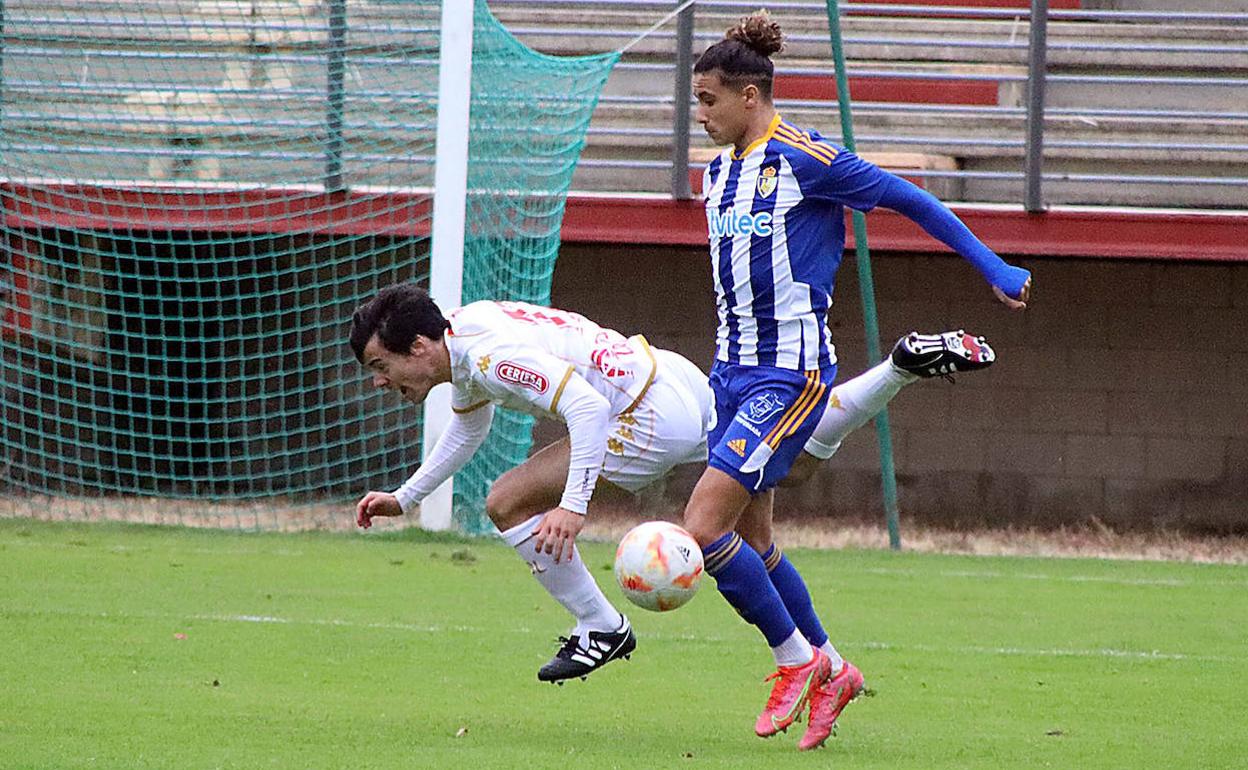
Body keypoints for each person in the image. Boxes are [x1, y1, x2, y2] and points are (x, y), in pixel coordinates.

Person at [348, 285, 995, 688]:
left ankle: (602, 626)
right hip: (668, 374)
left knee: (506, 500)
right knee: (782, 482)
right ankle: (895, 370)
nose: (380, 381)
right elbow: (469, 425)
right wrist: (407, 497)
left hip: (640, 413)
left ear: (423, 345)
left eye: (382, 366)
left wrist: (573, 507)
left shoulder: (490, 358)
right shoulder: (465, 333)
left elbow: (586, 411)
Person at [683, 10, 1032, 750]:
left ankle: (795, 662)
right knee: (755, 539)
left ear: (751, 96)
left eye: (709, 99)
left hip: (790, 372)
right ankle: (834, 669)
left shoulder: (807, 159)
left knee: (702, 529)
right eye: (697, 101)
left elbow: (911, 199)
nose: (701, 113)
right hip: (731, 371)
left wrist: (991, 266)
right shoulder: (716, 174)